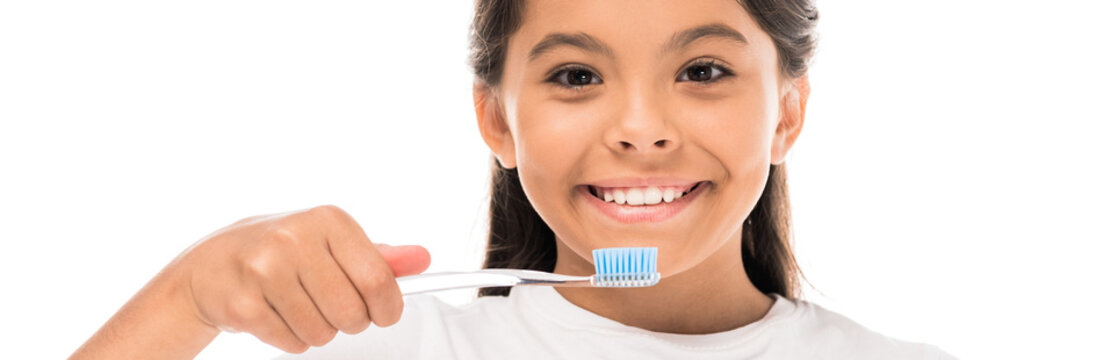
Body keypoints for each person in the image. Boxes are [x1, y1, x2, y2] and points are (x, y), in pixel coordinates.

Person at [71, 0, 957, 359]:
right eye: (576, 76)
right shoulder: (390, 348)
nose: (640, 129)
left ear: (786, 114)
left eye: (702, 72)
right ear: (497, 119)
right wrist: (187, 299)